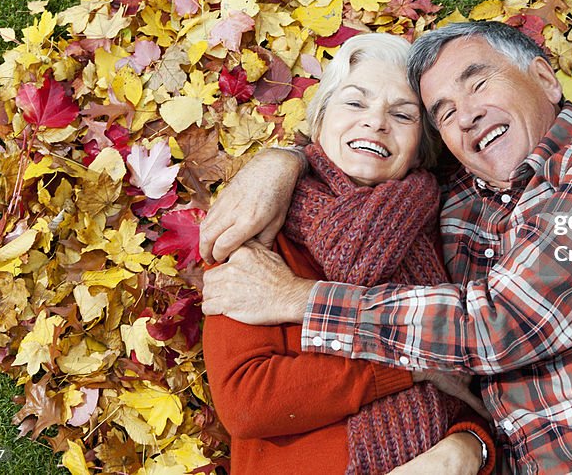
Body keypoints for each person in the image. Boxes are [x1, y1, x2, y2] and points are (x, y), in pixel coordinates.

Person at [202, 21, 572, 474]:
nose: (465, 113)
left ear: (546, 81)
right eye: (444, 112)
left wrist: (301, 299)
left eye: (478, 83)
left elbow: (503, 324)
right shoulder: (449, 214)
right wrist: (282, 160)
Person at [202, 33, 495, 475]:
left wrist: (470, 448)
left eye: (402, 114)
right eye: (355, 103)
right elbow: (248, 401)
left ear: (422, 148)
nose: (377, 122)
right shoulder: (259, 225)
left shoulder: (445, 234)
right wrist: (410, 364)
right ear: (319, 122)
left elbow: (473, 389)